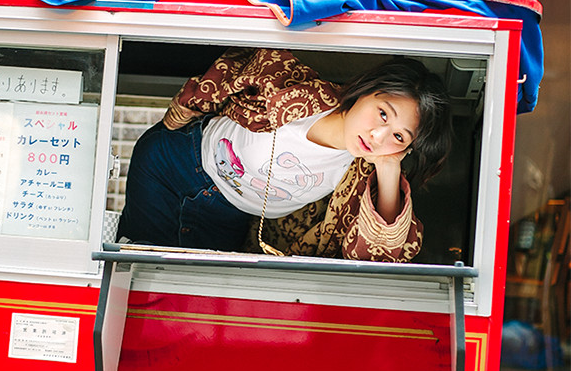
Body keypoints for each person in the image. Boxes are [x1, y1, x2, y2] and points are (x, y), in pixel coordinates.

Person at [116, 48, 452, 262]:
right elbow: (234, 69)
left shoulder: (360, 178)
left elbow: (379, 254)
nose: (379, 136)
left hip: (227, 216)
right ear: (365, 91)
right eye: (382, 113)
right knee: (135, 278)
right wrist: (179, 114)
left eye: (398, 135)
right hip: (173, 167)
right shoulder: (302, 92)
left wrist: (390, 169)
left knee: (184, 305)